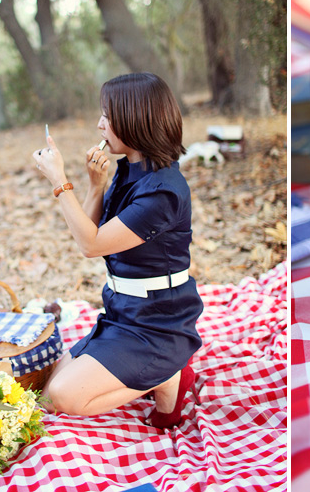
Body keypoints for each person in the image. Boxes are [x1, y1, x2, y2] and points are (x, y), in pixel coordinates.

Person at [32, 72, 202, 428]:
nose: (99, 125)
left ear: (133, 118)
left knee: (64, 396)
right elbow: (93, 236)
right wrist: (95, 186)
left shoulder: (163, 192)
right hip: (124, 312)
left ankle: (167, 371)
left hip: (158, 323)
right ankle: (163, 375)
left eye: (106, 117)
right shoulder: (130, 171)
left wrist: (59, 182)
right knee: (47, 395)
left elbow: (90, 245)